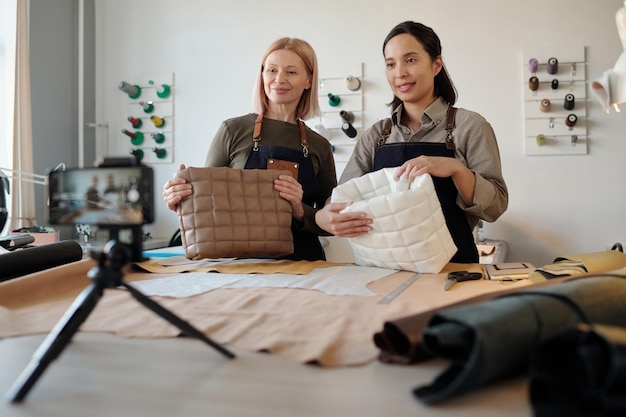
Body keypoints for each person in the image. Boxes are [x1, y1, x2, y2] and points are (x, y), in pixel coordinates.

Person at [315, 21, 508, 264]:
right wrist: (324, 215)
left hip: (452, 271)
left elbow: (496, 206)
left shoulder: (470, 127)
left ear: (436, 64)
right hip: (383, 270)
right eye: (390, 64)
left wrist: (458, 170)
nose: (400, 73)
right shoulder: (375, 136)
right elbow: (341, 198)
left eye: (410, 60)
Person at [163, 37, 337, 261]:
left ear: (309, 81)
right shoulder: (232, 130)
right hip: (240, 265)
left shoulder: (319, 145)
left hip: (303, 264)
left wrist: (299, 208)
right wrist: (179, 198)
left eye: (291, 72)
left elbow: (332, 222)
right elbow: (208, 206)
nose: (279, 79)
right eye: (271, 70)